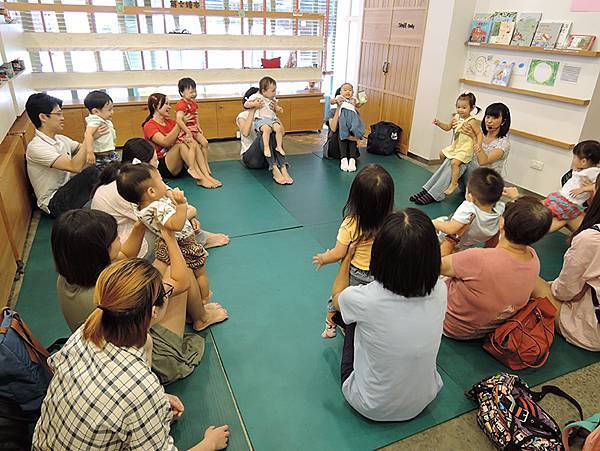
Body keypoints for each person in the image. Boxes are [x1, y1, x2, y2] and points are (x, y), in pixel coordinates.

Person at [32, 258, 230, 450]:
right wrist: (210, 444)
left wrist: (154, 402)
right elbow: (133, 393)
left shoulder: (86, 332)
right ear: (154, 312)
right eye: (166, 292)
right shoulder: (141, 386)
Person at [51, 209, 227, 383]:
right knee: (182, 269)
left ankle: (192, 312)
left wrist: (140, 225)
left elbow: (125, 255)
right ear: (99, 251)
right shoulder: (116, 289)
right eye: (115, 236)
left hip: (107, 349)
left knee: (160, 269)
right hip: (149, 359)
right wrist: (170, 238)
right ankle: (201, 317)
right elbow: (180, 281)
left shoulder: (71, 274)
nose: (119, 237)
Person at [330, 209, 447, 421]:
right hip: (425, 398)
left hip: (370, 405)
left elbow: (337, 297)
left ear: (380, 255)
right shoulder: (441, 289)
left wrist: (346, 257)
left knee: (350, 321)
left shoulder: (366, 299)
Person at [91, 138, 230, 259]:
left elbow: (166, 195)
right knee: (169, 230)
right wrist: (189, 213)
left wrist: (189, 216)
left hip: (126, 232)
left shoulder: (133, 179)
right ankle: (198, 240)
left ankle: (197, 237)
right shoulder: (127, 189)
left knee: (177, 218)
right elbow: (164, 221)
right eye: (156, 160)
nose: (158, 163)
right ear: (145, 166)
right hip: (119, 249)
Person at [441, 196, 552, 340]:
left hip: (451, 326)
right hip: (485, 330)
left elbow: (435, 266)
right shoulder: (533, 258)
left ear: (501, 222)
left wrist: (453, 236)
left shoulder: (476, 258)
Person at [117, 163, 216, 309]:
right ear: (151, 191)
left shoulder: (139, 207)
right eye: (161, 181)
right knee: (199, 273)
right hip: (183, 242)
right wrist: (182, 205)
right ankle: (204, 298)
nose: (165, 184)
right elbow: (176, 225)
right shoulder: (158, 208)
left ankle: (193, 304)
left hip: (163, 243)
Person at [312, 164, 394, 338]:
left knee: (337, 298)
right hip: (381, 274)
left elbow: (339, 253)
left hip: (356, 273)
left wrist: (324, 258)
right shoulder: (391, 223)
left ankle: (330, 326)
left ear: (356, 198)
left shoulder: (351, 224)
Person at [532, 173, 600, 352]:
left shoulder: (591, 239)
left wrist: (550, 286)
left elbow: (565, 292)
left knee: (526, 275)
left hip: (589, 330)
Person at [412, 102, 511, 205]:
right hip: (469, 178)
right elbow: (460, 141)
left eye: (495, 118)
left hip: (485, 184)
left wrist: (473, 138)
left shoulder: (503, 144)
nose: (489, 121)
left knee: (460, 161)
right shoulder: (479, 130)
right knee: (455, 159)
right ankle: (428, 191)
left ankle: (432, 193)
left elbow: (483, 161)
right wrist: (456, 126)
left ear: (503, 121)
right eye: (488, 117)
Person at [25, 92, 104, 218]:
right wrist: (89, 138)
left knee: (102, 164)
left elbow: (83, 150)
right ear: (43, 117)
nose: (62, 118)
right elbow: (75, 167)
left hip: (67, 188)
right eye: (58, 113)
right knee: (92, 172)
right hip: (54, 203)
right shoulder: (36, 147)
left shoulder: (60, 139)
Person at [143, 92, 221, 189]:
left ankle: (206, 175)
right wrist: (180, 124)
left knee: (193, 143)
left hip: (178, 163)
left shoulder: (171, 122)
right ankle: (200, 179)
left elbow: (182, 135)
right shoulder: (149, 125)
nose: (169, 107)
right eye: (166, 104)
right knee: (180, 146)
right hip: (163, 165)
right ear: (156, 107)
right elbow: (165, 142)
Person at [433, 167, 504, 256]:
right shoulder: (500, 208)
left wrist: (433, 222)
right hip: (468, 242)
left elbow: (450, 229)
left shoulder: (469, 208)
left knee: (438, 222)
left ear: (471, 197)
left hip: (447, 238)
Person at [430, 92, 483, 196]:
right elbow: (447, 128)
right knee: (441, 154)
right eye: (458, 107)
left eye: (464, 107)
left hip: (466, 149)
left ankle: (454, 183)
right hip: (456, 147)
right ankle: (449, 174)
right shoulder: (456, 117)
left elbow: (479, 134)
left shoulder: (472, 121)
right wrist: (439, 123)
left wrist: (478, 144)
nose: (460, 110)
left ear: (472, 108)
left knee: (455, 162)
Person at [237, 87, 293, 184]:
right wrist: (253, 109)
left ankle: (283, 168)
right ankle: (275, 170)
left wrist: (274, 114)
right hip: (252, 159)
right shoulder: (242, 115)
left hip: (266, 159)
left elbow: (282, 133)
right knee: (264, 131)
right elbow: (245, 133)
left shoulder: (267, 115)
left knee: (273, 130)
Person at [543, 140, 600, 233]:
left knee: (549, 215)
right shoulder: (584, 170)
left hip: (569, 202)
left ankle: (534, 232)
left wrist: (584, 189)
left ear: (583, 161)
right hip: (563, 198)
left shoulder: (594, 172)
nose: (573, 161)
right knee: (548, 212)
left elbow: (595, 187)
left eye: (574, 158)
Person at [175, 77, 212, 175]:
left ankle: (205, 163)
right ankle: (191, 167)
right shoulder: (181, 104)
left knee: (205, 143)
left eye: (195, 91)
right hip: (185, 130)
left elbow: (196, 115)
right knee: (193, 146)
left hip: (193, 128)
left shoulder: (193, 103)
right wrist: (187, 132)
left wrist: (198, 126)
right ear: (182, 93)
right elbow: (178, 119)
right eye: (191, 92)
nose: (194, 94)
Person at [325, 86, 364, 169]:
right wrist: (339, 107)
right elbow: (333, 128)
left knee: (352, 131)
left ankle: (352, 160)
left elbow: (356, 129)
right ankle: (344, 159)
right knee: (341, 129)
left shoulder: (353, 111)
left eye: (350, 90)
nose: (347, 92)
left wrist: (363, 101)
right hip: (335, 146)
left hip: (351, 149)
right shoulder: (332, 111)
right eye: (345, 90)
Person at [83, 90, 118, 169]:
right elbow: (88, 134)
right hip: (102, 157)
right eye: (109, 110)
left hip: (110, 154)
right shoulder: (95, 120)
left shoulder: (103, 119)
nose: (112, 112)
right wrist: (90, 152)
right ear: (95, 111)